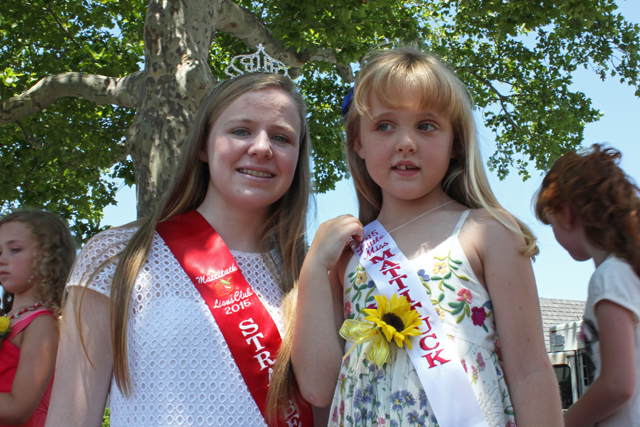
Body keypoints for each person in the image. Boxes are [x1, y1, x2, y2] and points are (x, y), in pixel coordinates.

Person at [292, 48, 563, 427]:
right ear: (358, 143)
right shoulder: (345, 254)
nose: (406, 142)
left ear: (455, 143)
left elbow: (531, 371)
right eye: (384, 125)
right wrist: (314, 266)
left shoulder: (489, 232)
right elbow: (318, 388)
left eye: (426, 125)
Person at [45, 72, 315, 427]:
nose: (262, 147)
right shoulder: (118, 256)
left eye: (281, 138)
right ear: (203, 146)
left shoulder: (311, 274)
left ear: (297, 159)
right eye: (241, 131)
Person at [535, 144, 640, 427]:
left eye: (551, 222)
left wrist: (566, 424)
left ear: (566, 214)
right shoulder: (630, 272)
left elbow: (618, 384)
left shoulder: (610, 277)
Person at [0, 210, 76, 427]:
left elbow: (18, 409)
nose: (3, 259)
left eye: (15, 250)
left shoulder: (43, 323)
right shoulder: (9, 318)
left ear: (48, 257)